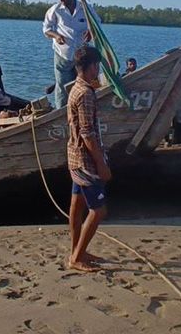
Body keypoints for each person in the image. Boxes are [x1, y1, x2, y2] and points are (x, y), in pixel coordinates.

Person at [66, 45, 112, 273]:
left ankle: (77, 250)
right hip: (85, 161)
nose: (98, 71)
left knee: (77, 205)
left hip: (74, 157)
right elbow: (87, 133)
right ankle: (76, 256)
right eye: (97, 66)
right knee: (99, 210)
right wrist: (101, 164)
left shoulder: (76, 88)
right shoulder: (85, 94)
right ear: (91, 66)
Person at [42, 0, 95, 108]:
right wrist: (56, 36)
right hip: (63, 55)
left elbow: (96, 24)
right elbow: (46, 30)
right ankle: (61, 115)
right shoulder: (55, 10)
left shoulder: (85, 8)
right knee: (62, 89)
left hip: (82, 55)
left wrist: (91, 32)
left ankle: (81, 110)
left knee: (83, 86)